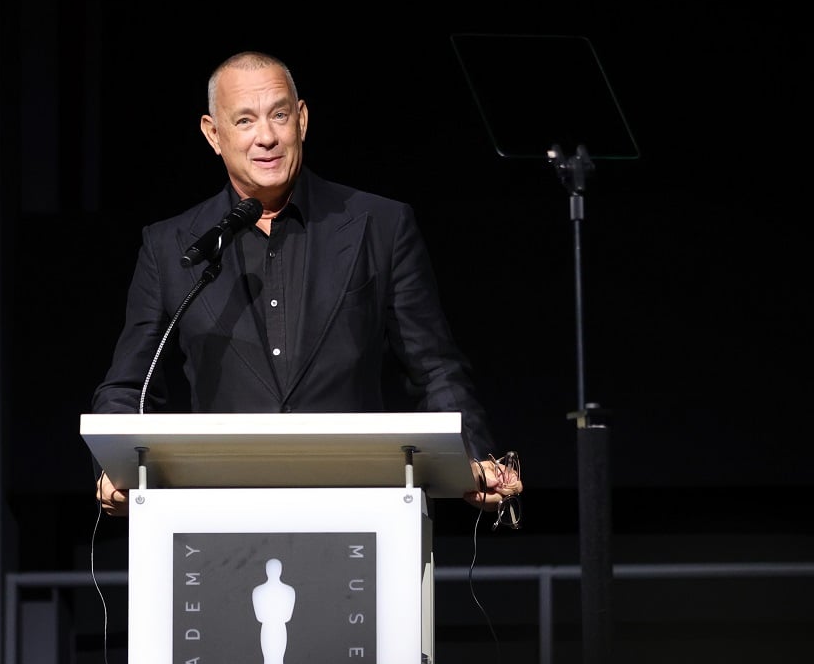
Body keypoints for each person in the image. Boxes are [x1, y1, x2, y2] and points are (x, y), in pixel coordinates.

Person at [92, 50, 521, 515]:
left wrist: (475, 454)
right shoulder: (171, 247)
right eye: (244, 121)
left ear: (302, 119)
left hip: (362, 510)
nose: (267, 137)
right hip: (221, 515)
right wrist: (112, 466)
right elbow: (129, 385)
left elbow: (435, 368)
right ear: (213, 134)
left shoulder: (379, 225)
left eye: (279, 115)